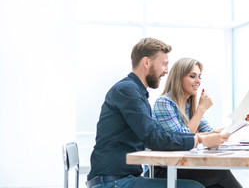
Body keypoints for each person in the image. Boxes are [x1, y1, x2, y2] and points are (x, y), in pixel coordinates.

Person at [86, 38, 230, 188]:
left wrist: (200, 136)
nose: (166, 71)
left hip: (122, 179)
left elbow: (158, 134)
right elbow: (153, 138)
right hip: (113, 182)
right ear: (146, 62)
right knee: (195, 187)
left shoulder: (136, 92)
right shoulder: (127, 91)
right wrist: (199, 140)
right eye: (164, 64)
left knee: (211, 181)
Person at [152, 57, 249, 188]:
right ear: (178, 78)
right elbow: (181, 138)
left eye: (199, 77)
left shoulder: (189, 106)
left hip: (183, 165)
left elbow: (212, 133)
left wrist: (240, 122)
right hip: (165, 169)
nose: (198, 81)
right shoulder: (164, 103)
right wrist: (201, 109)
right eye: (192, 76)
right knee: (221, 174)